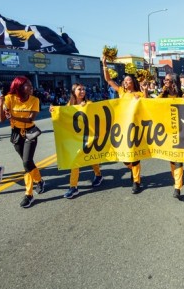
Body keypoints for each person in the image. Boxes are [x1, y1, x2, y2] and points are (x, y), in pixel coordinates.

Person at [102, 56, 147, 194]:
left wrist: (144, 90)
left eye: (128, 80)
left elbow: (147, 105)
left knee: (134, 155)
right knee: (123, 156)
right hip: (122, 128)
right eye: (125, 80)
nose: (126, 82)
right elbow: (109, 80)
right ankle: (133, 172)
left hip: (135, 128)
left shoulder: (138, 94)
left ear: (133, 82)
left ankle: (136, 181)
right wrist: (104, 64)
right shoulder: (121, 92)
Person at [0, 76, 45, 208]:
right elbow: (1, 119)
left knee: (26, 163)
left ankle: (28, 194)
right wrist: (1, 104)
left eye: (31, 85)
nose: (31, 87)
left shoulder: (35, 100)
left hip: (30, 132)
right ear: (19, 86)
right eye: (28, 85)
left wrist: (13, 116)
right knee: (28, 162)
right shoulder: (9, 98)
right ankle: (40, 180)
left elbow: (30, 119)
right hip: (16, 134)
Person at [60, 83, 103, 199]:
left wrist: (87, 108)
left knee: (91, 157)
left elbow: (97, 116)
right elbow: (62, 116)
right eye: (80, 89)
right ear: (74, 92)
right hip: (75, 138)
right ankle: (73, 187)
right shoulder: (69, 105)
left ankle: (98, 175)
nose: (83, 91)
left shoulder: (89, 103)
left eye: (84, 89)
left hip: (88, 136)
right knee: (75, 162)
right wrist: (53, 111)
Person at [159, 72, 184, 200]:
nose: (165, 82)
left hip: (181, 131)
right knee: (172, 158)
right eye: (165, 80)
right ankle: (176, 180)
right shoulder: (162, 96)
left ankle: (177, 187)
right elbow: (151, 106)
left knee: (178, 158)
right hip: (167, 132)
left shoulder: (183, 94)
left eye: (168, 80)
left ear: (174, 82)